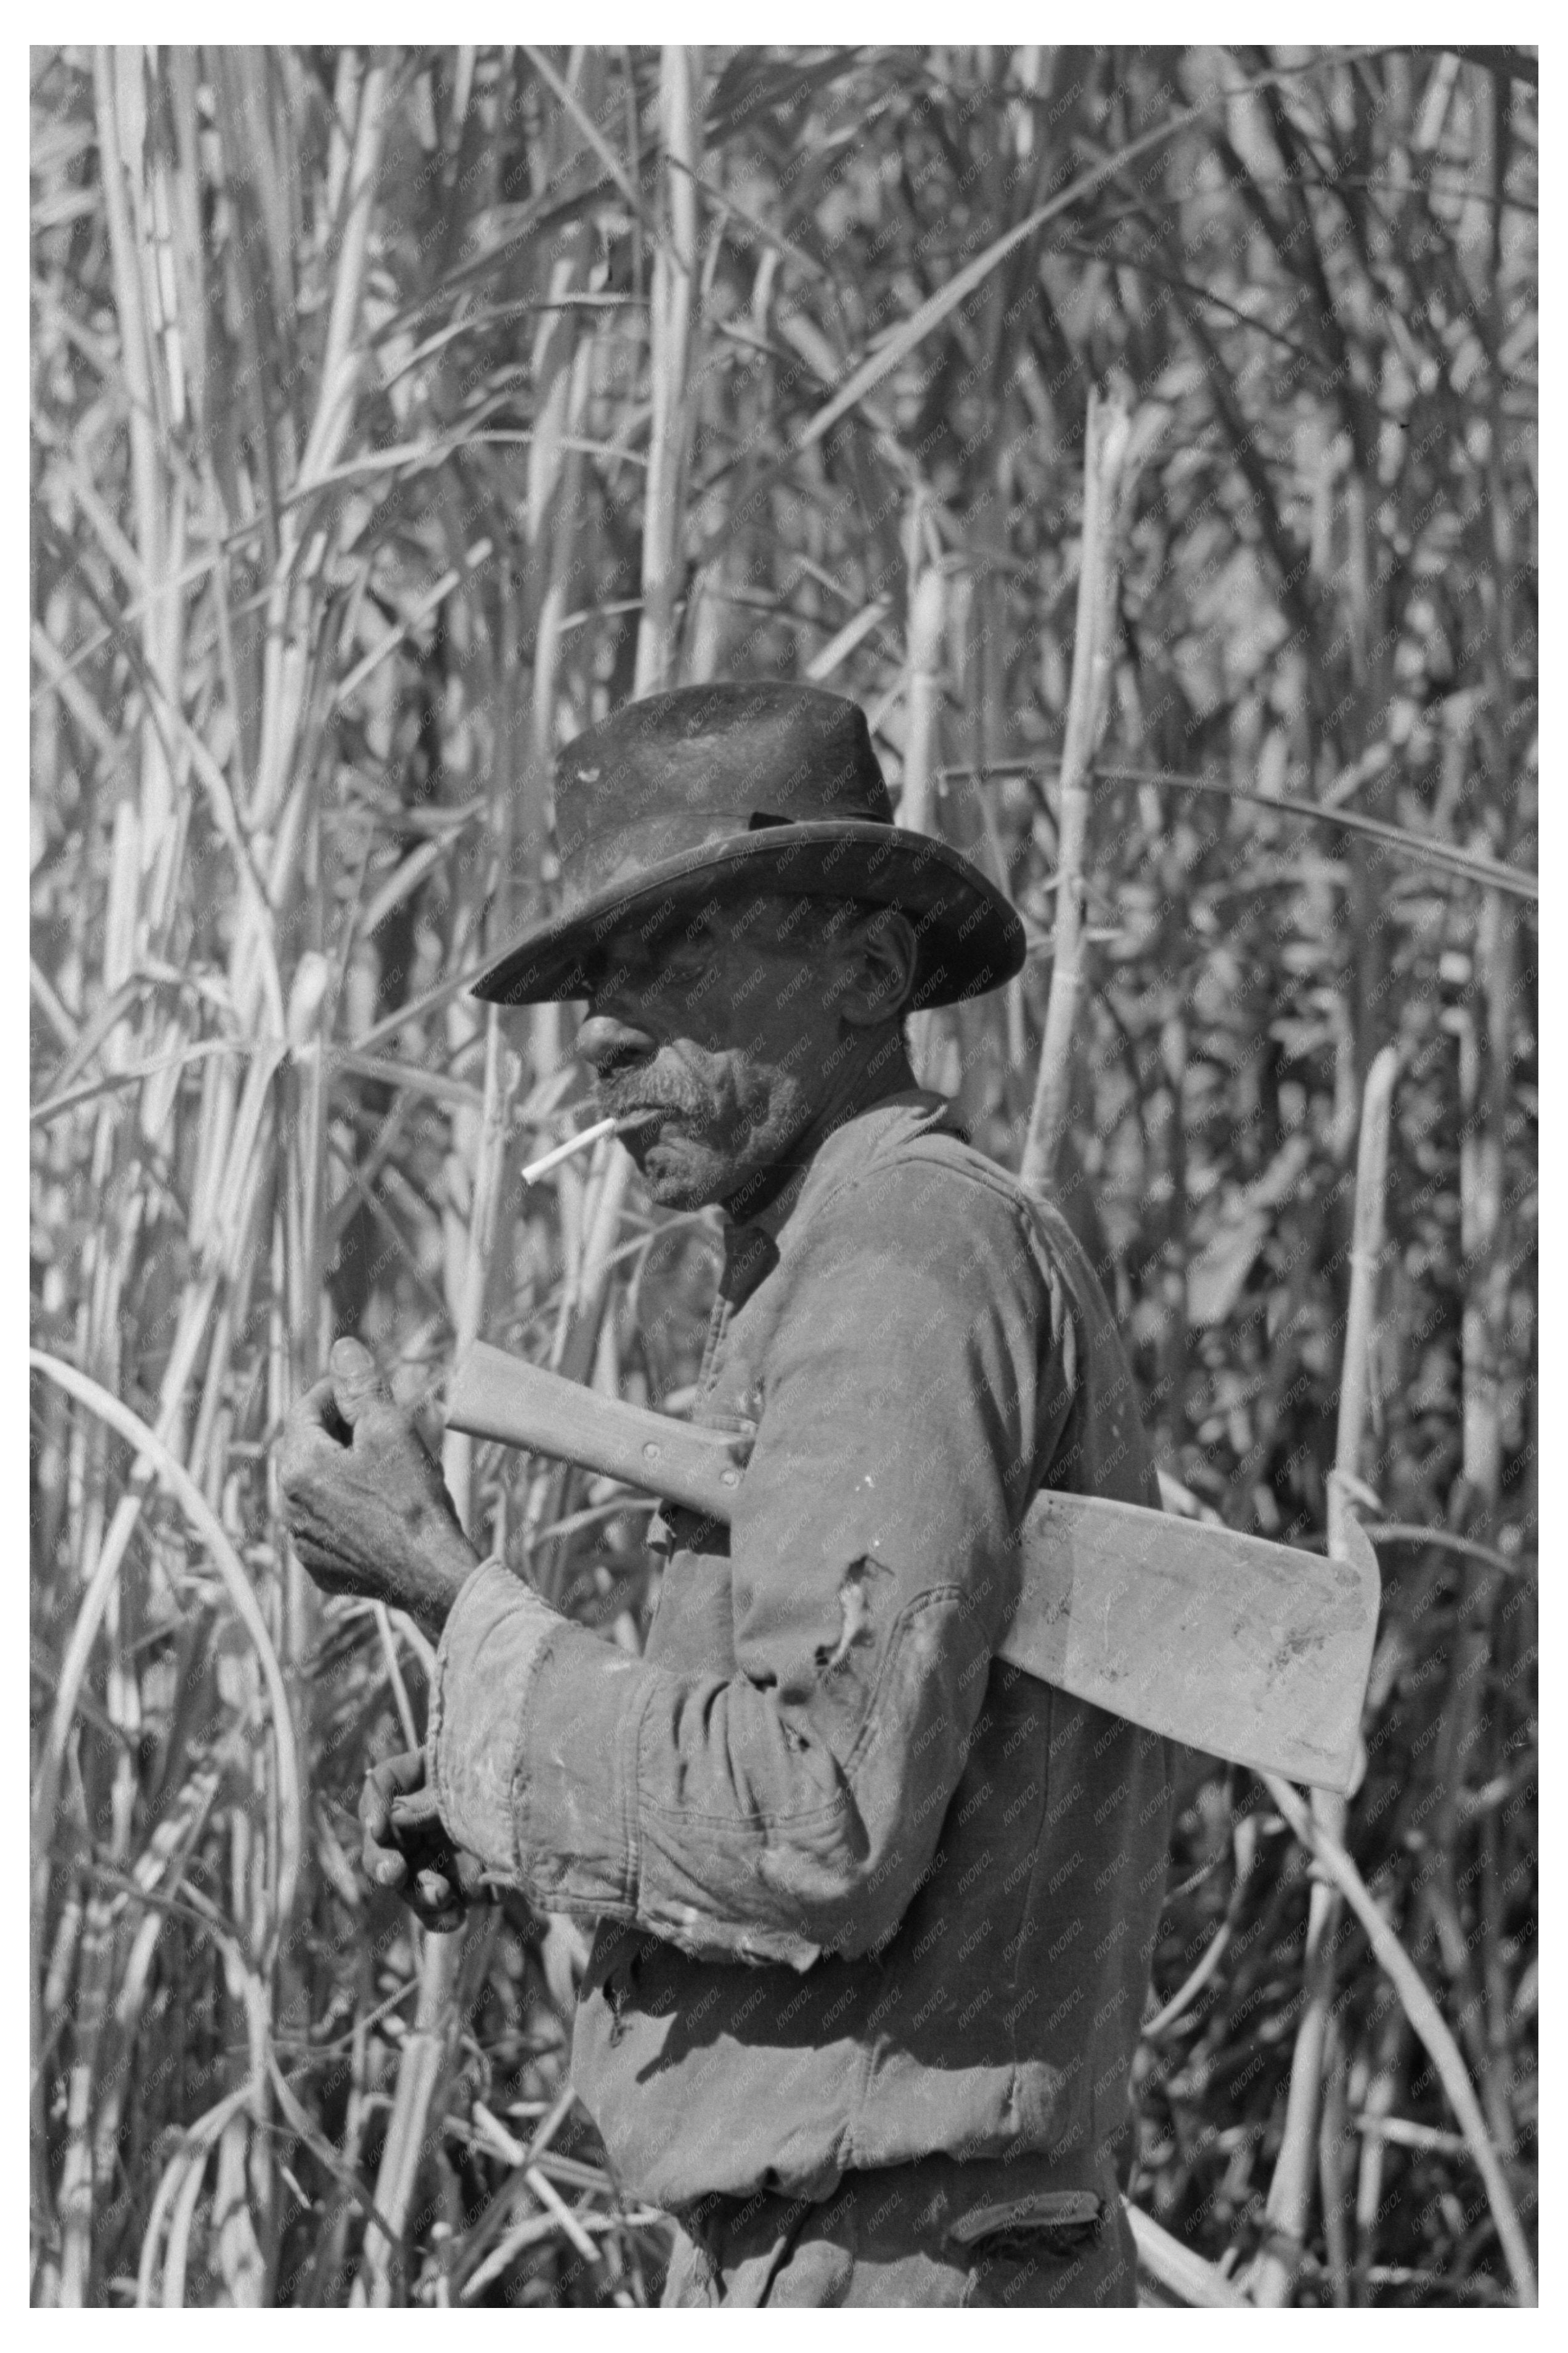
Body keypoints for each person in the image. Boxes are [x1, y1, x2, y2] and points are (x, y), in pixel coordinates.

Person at [279, 682, 1175, 2307]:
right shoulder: (847, 1262)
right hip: (865, 2246)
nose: (604, 1034)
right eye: (594, 986)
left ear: (868, 971)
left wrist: (449, 1592)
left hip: (898, 2261)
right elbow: (869, 1776)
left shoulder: (909, 1255)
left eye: (670, 960)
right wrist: (497, 1794)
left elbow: (821, 1812)